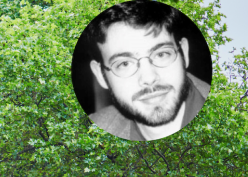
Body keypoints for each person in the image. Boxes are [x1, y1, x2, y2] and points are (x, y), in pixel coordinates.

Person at [78, 1, 210, 141]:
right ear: (100, 75)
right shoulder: (88, 133)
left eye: (161, 54)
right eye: (124, 64)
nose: (149, 78)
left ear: (184, 52)